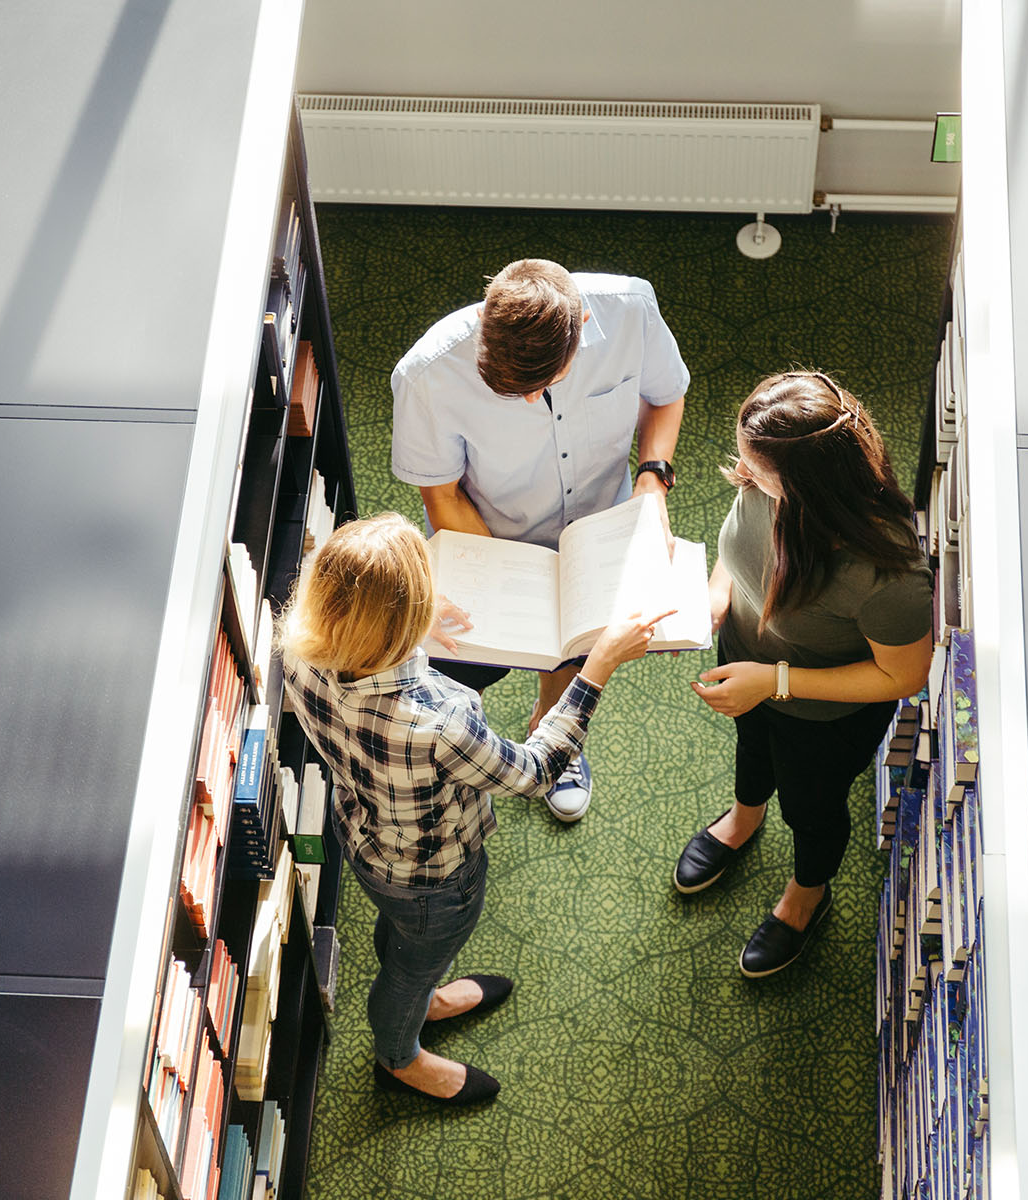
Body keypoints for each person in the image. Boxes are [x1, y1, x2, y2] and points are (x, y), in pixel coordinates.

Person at [278, 512, 670, 1104]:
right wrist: (597, 668)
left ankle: (423, 992)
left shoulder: (300, 649)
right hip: (434, 877)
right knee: (411, 964)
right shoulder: (440, 719)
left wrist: (400, 623)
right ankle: (398, 1056)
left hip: (360, 834)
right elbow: (535, 772)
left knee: (404, 939)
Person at [390, 258, 689, 822]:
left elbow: (666, 395)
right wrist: (513, 582)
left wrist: (652, 479)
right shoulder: (427, 373)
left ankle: (553, 727)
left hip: (599, 528)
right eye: (513, 392)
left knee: (575, 650)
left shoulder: (631, 310)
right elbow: (444, 497)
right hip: (488, 540)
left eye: (543, 385)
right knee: (449, 671)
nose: (532, 401)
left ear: (579, 326)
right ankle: (461, 754)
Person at [673, 372, 933, 978]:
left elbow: (903, 675)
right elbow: (736, 553)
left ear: (806, 486)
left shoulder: (885, 574)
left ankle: (807, 895)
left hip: (824, 710)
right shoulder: (766, 483)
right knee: (753, 748)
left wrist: (775, 682)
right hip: (748, 666)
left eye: (753, 466)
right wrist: (717, 598)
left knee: (812, 805)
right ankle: (744, 816)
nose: (741, 472)